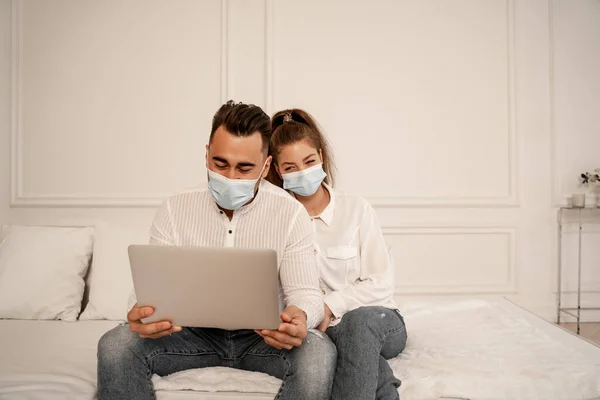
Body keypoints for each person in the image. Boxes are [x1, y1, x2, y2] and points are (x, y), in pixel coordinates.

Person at [97, 101, 337, 400]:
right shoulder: (175, 208)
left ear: (265, 166)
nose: (230, 178)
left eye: (244, 168)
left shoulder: (290, 213)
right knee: (115, 344)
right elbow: (147, 294)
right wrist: (143, 315)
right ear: (207, 154)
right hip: (189, 334)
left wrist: (299, 317)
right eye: (220, 164)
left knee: (318, 351)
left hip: (264, 338)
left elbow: (306, 294)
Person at [266, 109, 407, 400]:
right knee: (334, 343)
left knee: (357, 324)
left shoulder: (357, 209)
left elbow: (381, 282)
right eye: (290, 167)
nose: (303, 172)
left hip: (379, 320)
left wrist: (329, 306)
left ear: (320, 157)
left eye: (309, 161)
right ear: (278, 171)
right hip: (323, 330)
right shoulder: (276, 220)